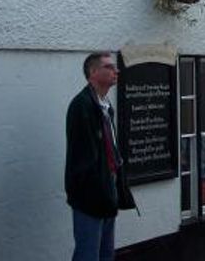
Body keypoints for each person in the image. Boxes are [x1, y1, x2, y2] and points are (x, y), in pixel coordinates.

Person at [66, 52, 136, 261]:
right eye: (109, 67)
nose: (116, 71)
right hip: (90, 195)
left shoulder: (105, 106)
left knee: (106, 253)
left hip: (108, 192)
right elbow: (83, 158)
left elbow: (111, 149)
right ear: (93, 73)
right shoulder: (82, 106)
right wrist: (96, 186)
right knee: (88, 254)